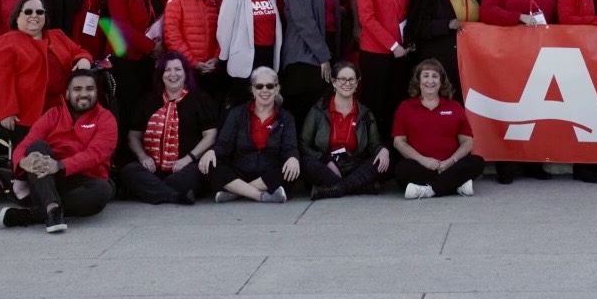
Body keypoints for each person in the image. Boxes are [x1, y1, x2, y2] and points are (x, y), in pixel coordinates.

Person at [0, 70, 117, 232]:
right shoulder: (53, 114)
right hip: (46, 179)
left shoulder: (106, 118)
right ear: (67, 94)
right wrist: (22, 162)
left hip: (81, 180)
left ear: (96, 92)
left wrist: (60, 165)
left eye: (89, 89)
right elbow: (24, 145)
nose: (83, 94)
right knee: (36, 147)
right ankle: (52, 207)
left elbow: (96, 154)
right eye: (77, 89)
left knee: (104, 190)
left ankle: (35, 213)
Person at [0, 0, 93, 137]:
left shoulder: (57, 36)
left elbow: (79, 51)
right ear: (17, 16)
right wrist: (6, 112)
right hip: (22, 112)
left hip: (58, 107)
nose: (34, 15)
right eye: (28, 12)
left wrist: (84, 60)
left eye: (39, 12)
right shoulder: (7, 42)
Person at [120, 52, 220, 205]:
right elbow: (133, 135)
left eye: (178, 69)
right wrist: (143, 157)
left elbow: (211, 135)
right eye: (167, 70)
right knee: (129, 171)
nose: (173, 74)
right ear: (161, 74)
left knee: (195, 174)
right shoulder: (147, 100)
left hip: (186, 167)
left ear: (186, 73)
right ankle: (175, 196)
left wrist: (188, 159)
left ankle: (155, 191)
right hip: (153, 170)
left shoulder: (200, 99)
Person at [198, 66, 298, 203]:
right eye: (259, 86)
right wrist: (212, 152)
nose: (264, 90)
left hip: (269, 173)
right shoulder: (237, 113)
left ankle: (236, 192)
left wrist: (293, 158)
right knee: (209, 164)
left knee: (294, 166)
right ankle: (260, 195)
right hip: (240, 171)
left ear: (276, 89)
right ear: (252, 90)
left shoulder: (286, 117)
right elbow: (224, 144)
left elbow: (290, 147)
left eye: (269, 86)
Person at [391, 59, 485, 199]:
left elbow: (467, 142)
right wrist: (423, 160)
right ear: (418, 80)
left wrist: (450, 162)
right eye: (426, 75)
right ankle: (455, 185)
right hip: (420, 165)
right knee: (401, 170)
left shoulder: (454, 106)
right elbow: (398, 142)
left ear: (441, 81)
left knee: (477, 162)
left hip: (451, 164)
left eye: (435, 76)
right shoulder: (405, 107)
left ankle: (427, 190)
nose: (430, 81)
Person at [301, 62, 392, 199]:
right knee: (306, 164)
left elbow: (374, 145)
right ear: (334, 82)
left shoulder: (365, 113)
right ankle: (360, 186)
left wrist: (383, 150)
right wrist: (326, 161)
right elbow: (303, 144)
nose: (347, 83)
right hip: (326, 165)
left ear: (357, 83)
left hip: (354, 165)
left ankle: (333, 190)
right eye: (342, 79)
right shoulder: (318, 111)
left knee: (381, 162)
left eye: (351, 79)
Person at [357, 0, 412, 143]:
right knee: (375, 105)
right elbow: (367, 19)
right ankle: (372, 152)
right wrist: (392, 45)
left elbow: (403, 13)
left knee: (395, 104)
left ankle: (391, 152)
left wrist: (405, 42)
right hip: (376, 53)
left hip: (400, 52)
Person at [281, 0, 341, 129]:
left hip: (323, 49)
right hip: (303, 57)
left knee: (317, 112)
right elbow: (304, 22)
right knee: (302, 113)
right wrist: (324, 57)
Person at [218, 0, 283, 106]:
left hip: (267, 55)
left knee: (264, 104)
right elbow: (224, 30)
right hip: (244, 58)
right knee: (244, 104)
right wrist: (224, 58)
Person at [163, 0, 224, 101]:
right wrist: (194, 63)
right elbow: (172, 36)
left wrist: (217, 57)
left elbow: (224, 30)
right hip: (188, 70)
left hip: (213, 69)